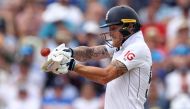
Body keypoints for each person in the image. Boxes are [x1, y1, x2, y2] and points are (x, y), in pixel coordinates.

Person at [42, 5, 152, 109]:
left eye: (113, 28)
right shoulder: (124, 44)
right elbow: (91, 52)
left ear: (130, 27)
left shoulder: (137, 48)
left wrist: (71, 65)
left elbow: (105, 76)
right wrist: (69, 51)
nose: (110, 33)